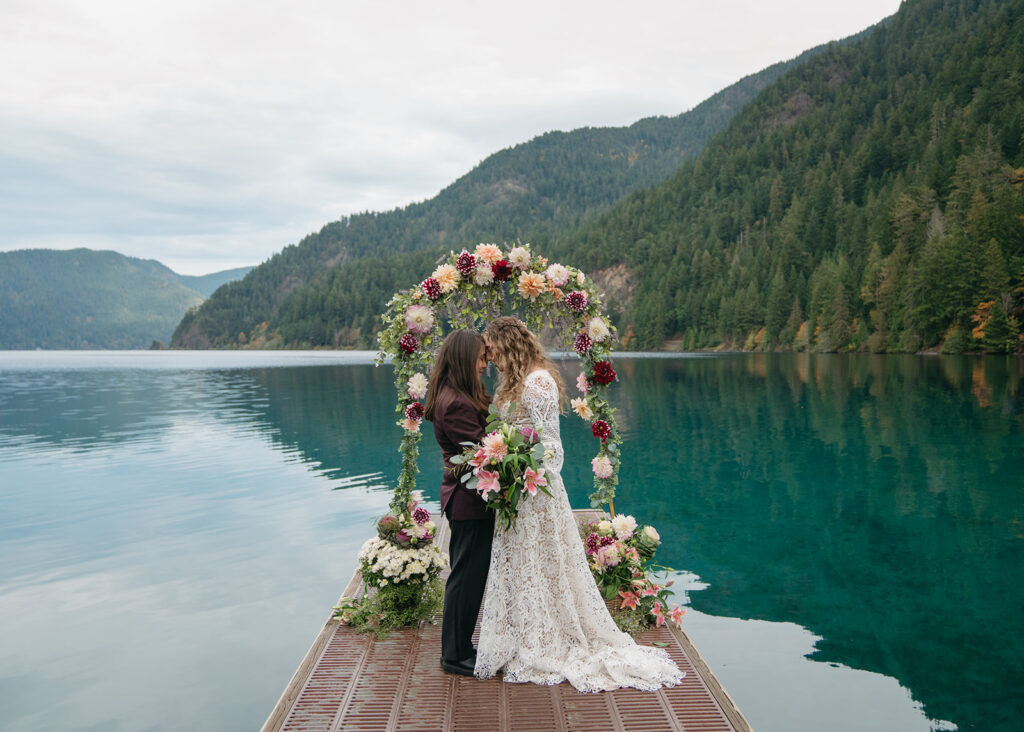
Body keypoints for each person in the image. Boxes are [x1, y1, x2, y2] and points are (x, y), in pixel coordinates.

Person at [475, 316, 683, 692]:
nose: (490, 357)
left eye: (492, 348)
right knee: (524, 563)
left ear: (508, 345)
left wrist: (521, 470)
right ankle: (525, 632)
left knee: (544, 562)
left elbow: (553, 447)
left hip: (536, 491)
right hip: (516, 490)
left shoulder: (537, 383)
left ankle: (551, 637)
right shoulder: (515, 382)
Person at [425, 329, 494, 677]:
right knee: (465, 578)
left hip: (469, 500)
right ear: (466, 358)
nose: (485, 364)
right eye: (481, 357)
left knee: (469, 575)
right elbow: (481, 452)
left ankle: (461, 646)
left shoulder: (458, 396)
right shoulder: (455, 403)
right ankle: (454, 654)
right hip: (468, 501)